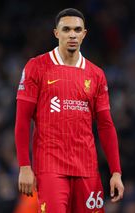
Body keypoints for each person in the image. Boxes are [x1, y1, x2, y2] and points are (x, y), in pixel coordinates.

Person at [14, 8, 124, 213]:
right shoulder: (36, 67)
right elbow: (22, 119)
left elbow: (106, 126)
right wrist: (24, 166)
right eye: (66, 29)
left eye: (77, 29)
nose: (72, 34)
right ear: (56, 33)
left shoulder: (96, 74)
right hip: (51, 168)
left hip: (87, 170)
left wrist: (116, 172)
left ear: (84, 34)